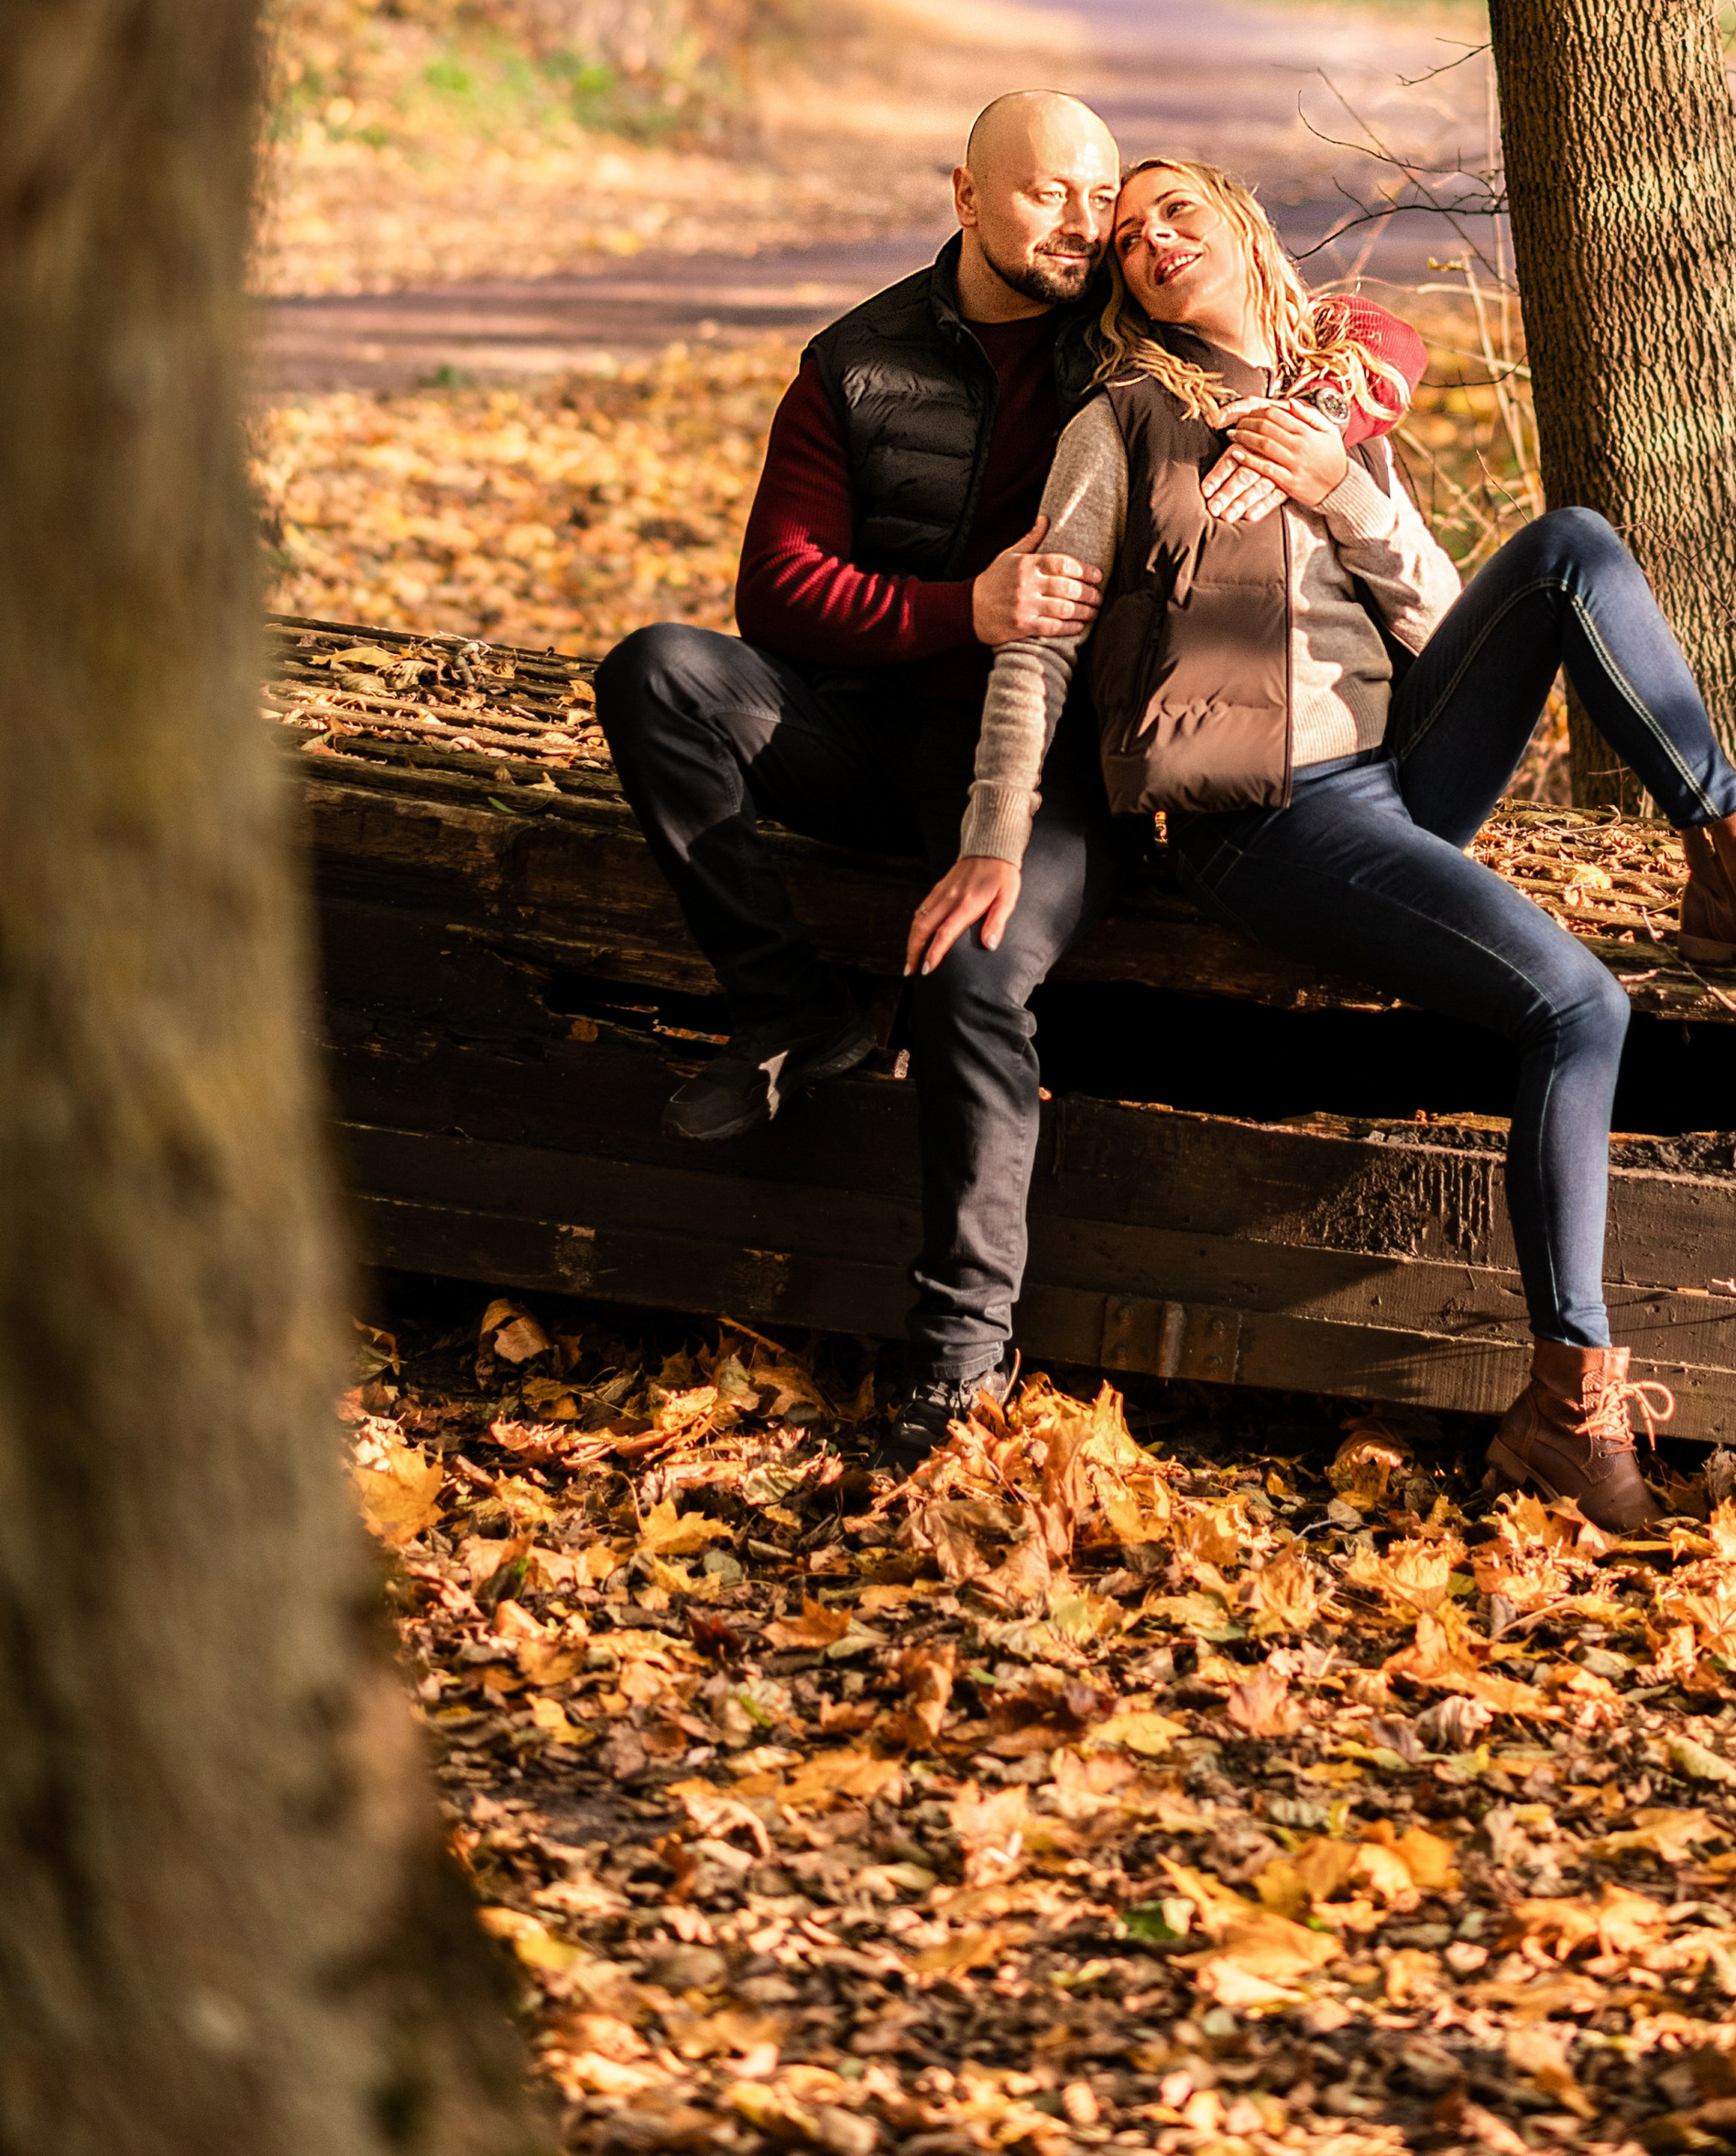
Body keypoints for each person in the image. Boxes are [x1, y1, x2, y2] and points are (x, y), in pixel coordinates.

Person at [907, 155, 1736, 1530]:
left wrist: (1340, 489)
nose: (1152, 238)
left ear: (1243, 223)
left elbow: (1435, 616)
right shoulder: (1118, 420)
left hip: (1398, 762)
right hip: (1268, 820)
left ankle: (1734, 860)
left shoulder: (1334, 407)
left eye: (1177, 206)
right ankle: (1570, 1403)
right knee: (1576, 1004)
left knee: (1570, 545)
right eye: (1128, 238)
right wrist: (993, 834)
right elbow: (1041, 646)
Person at [596, 93, 1426, 1474]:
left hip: (1051, 765)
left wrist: (1334, 395)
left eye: (1100, 198)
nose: (1088, 224)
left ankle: (958, 1363)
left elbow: (1363, 328)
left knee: (974, 974)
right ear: (966, 197)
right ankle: (789, 1008)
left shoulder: (1128, 328)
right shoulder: (859, 363)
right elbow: (778, 595)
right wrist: (953, 610)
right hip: (875, 729)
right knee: (658, 671)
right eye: (1050, 194)